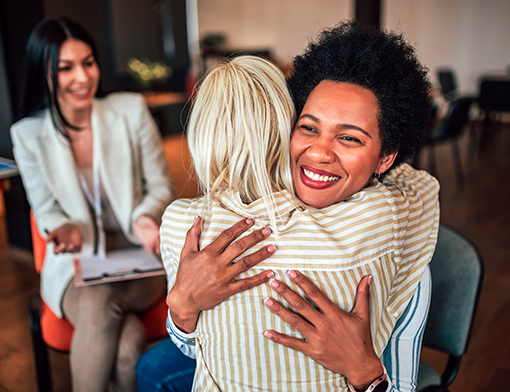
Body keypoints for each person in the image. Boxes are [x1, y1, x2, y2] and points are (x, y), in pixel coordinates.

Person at [137, 21, 437, 392]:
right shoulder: (243, 220)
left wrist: (363, 369)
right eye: (308, 127)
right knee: (151, 367)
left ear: (386, 158)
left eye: (349, 138)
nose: (319, 152)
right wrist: (182, 309)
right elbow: (203, 348)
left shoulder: (400, 256)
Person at [11, 17, 173, 392]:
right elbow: (46, 207)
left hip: (138, 256)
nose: (82, 77)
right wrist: (61, 227)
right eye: (65, 68)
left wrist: (145, 217)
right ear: (44, 73)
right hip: (77, 261)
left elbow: (160, 184)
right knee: (126, 345)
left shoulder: (130, 111)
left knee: (101, 298)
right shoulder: (28, 134)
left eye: (88, 62)